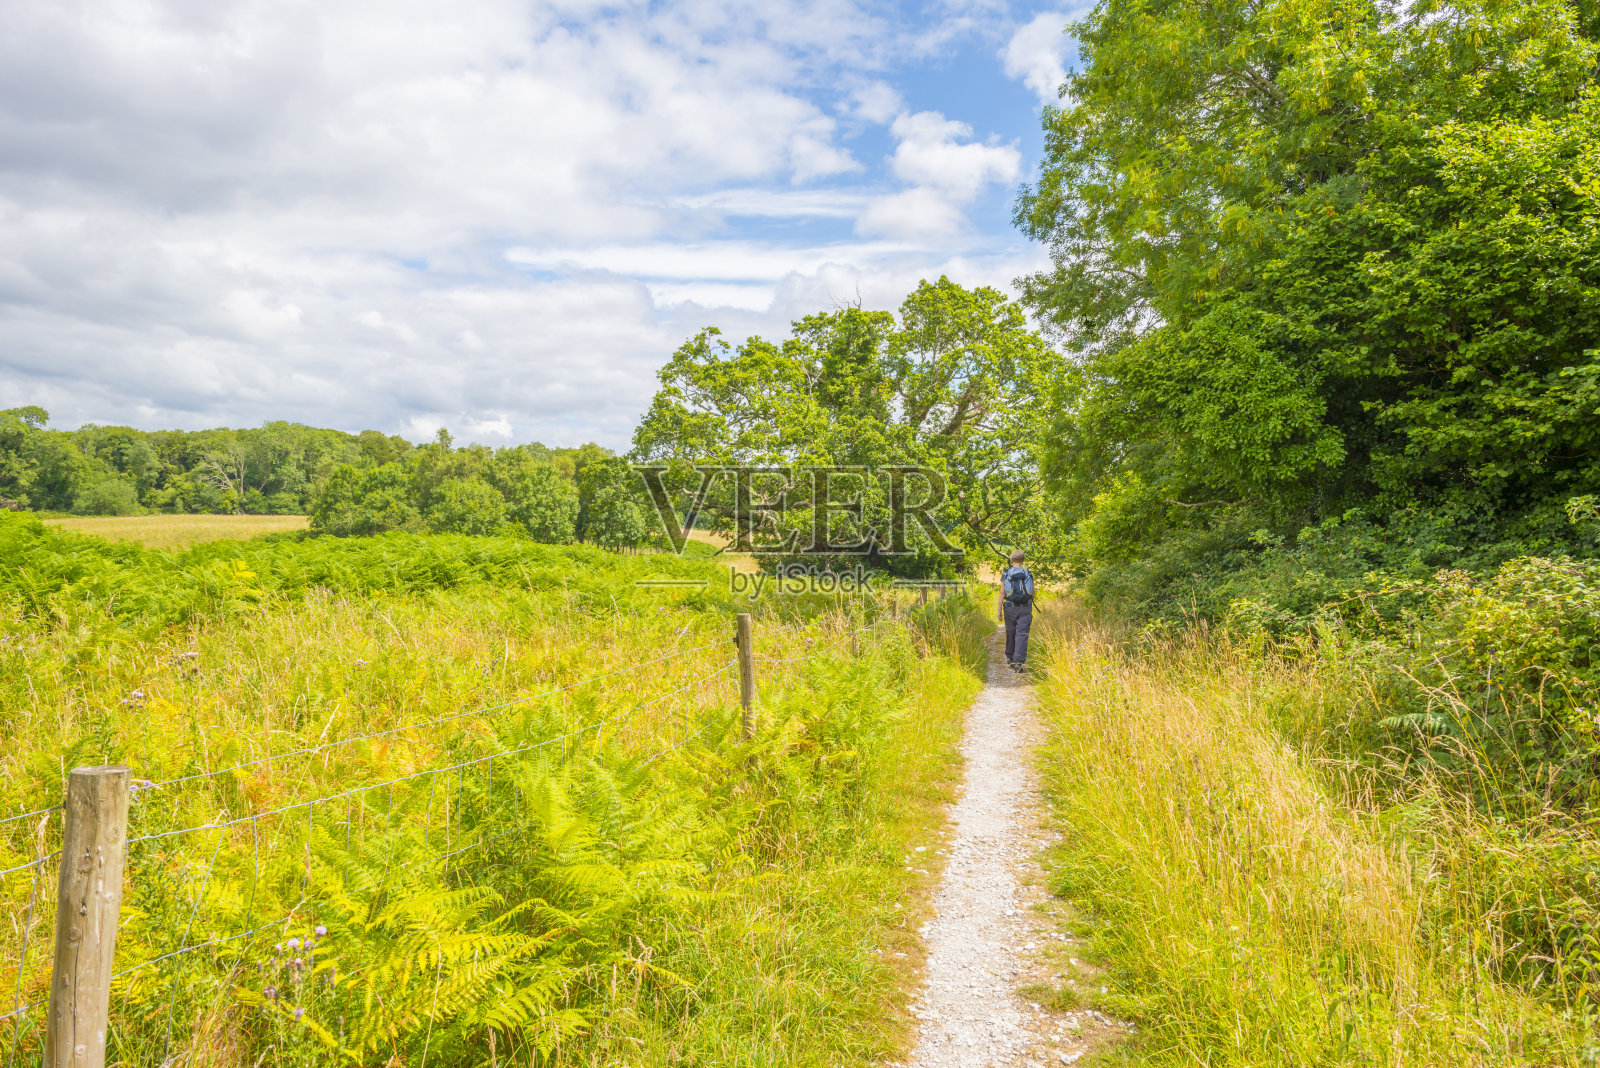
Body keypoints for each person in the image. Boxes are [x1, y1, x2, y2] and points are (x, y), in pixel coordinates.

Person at [999, 549, 1034, 671]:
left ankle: (1010, 658)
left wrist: (999, 610)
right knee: (1022, 634)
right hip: (1025, 607)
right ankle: (1019, 663)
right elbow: (1032, 593)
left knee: (1010, 632)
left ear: (1011, 560)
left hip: (1010, 608)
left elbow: (1003, 592)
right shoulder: (1028, 573)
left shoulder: (1006, 573)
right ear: (1023, 560)